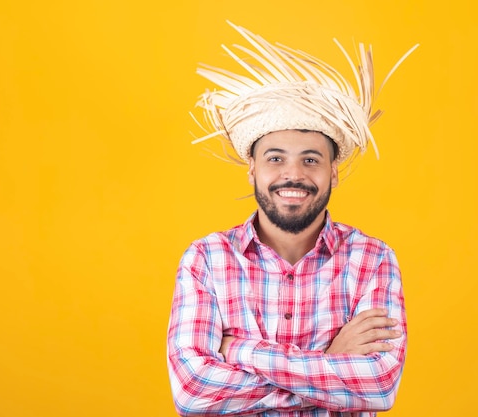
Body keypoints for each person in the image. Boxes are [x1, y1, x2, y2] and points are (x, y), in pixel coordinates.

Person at [167, 21, 417, 417]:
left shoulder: (373, 259)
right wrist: (329, 360)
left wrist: (237, 350)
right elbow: (193, 393)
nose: (293, 175)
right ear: (252, 168)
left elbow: (379, 386)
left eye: (311, 160)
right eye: (276, 158)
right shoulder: (206, 260)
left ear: (333, 170)